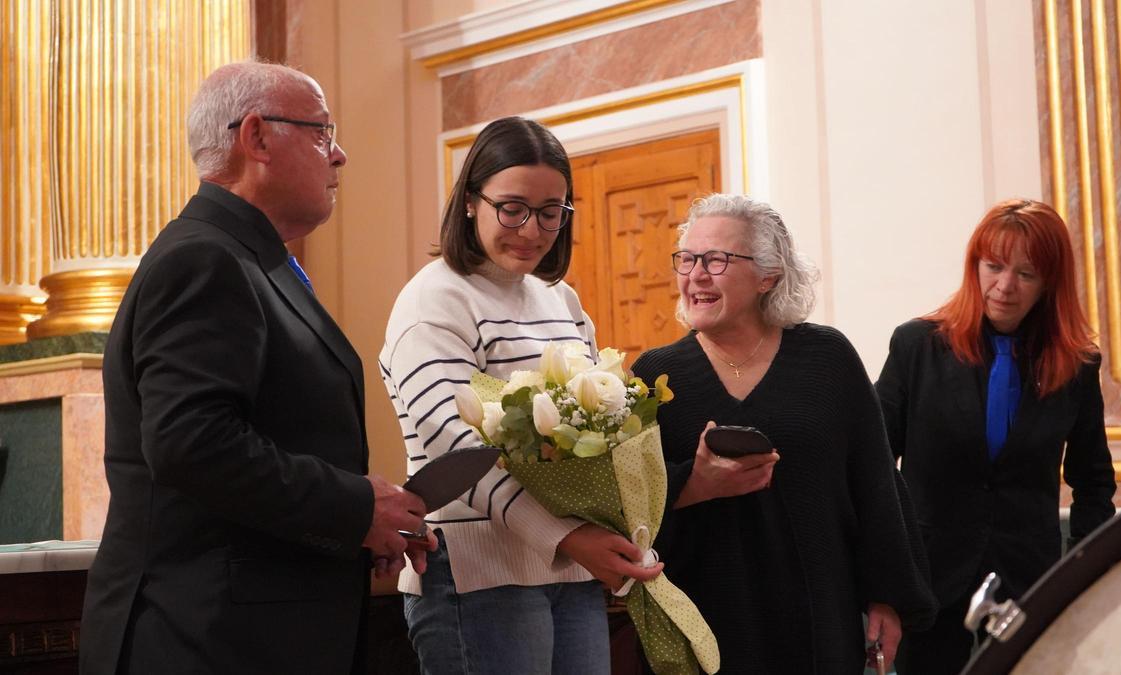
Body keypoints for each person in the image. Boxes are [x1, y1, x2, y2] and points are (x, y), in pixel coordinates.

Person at [80, 61, 433, 675]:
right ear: (257, 137)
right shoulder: (204, 260)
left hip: (252, 629)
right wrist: (353, 508)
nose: (340, 154)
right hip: (207, 636)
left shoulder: (250, 260)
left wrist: (358, 522)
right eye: (322, 131)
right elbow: (192, 443)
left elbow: (273, 434)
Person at [379, 116, 661, 675]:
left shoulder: (562, 301)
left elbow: (598, 437)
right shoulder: (434, 299)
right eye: (512, 208)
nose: (531, 230)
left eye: (551, 212)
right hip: (477, 573)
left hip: (569, 570)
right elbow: (453, 447)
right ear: (469, 202)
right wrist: (568, 536)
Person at [630, 194, 937, 674]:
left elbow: (876, 484)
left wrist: (887, 599)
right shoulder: (655, 376)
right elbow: (632, 508)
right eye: (687, 259)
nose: (696, 275)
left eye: (716, 259)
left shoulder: (828, 359)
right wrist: (694, 483)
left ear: (767, 276)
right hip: (700, 625)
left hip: (818, 619)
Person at [875, 198, 1116, 674]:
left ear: (1050, 283)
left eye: (1026, 274)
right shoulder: (916, 346)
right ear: (975, 266)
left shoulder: (1077, 365)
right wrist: (884, 578)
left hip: (1030, 584)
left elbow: (1094, 480)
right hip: (930, 584)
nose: (1005, 287)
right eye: (994, 266)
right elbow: (874, 466)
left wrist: (1084, 577)